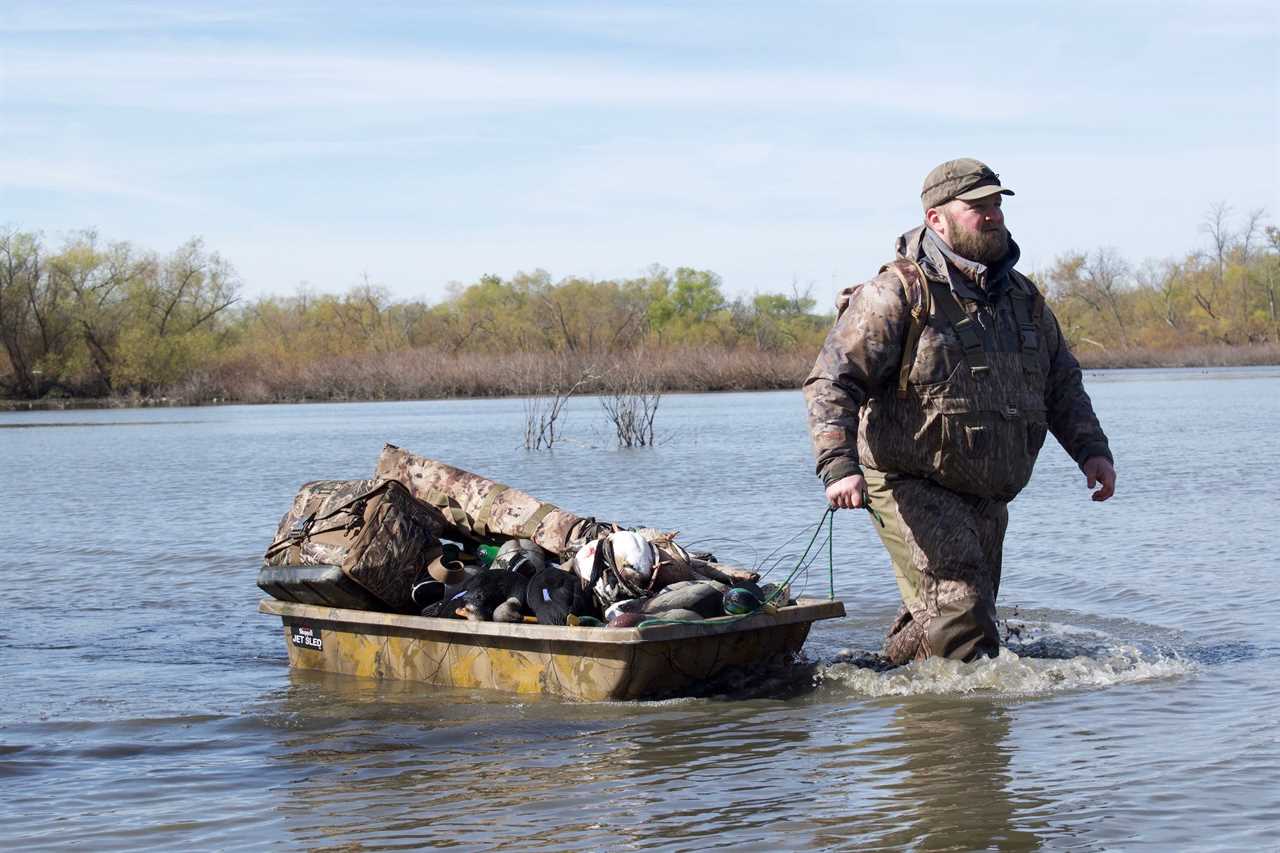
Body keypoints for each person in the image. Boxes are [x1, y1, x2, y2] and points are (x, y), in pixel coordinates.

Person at [804, 158, 1117, 665]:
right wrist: (839, 466)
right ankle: (956, 733)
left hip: (988, 490)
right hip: (911, 478)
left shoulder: (1025, 299)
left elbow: (1062, 383)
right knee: (962, 615)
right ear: (937, 219)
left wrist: (1092, 452)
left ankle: (878, 677)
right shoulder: (897, 293)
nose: (992, 215)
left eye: (996, 204)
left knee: (964, 616)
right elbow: (832, 381)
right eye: (977, 207)